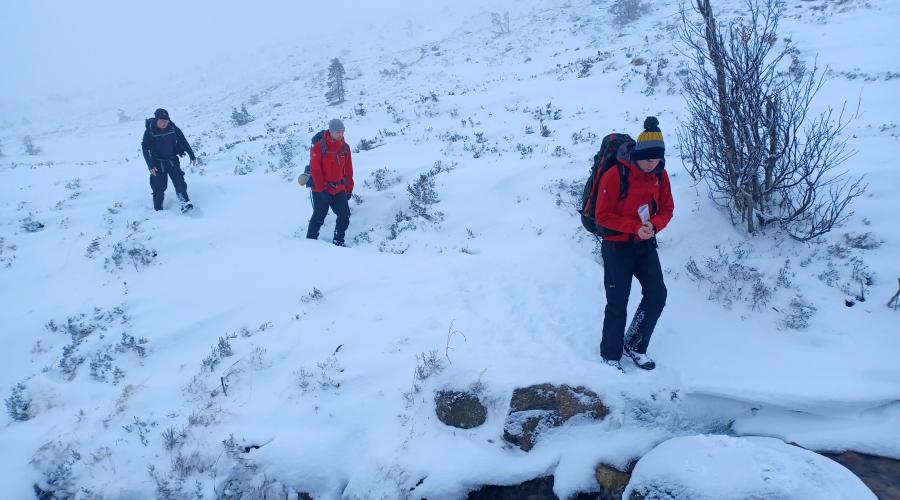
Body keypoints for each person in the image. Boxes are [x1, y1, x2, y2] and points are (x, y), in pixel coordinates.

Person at [594, 117, 674, 371]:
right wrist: (633, 227)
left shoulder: (660, 175)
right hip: (616, 246)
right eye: (648, 159)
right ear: (638, 154)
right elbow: (602, 216)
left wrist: (655, 225)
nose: (652, 164)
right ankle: (610, 354)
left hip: (644, 244)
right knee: (617, 300)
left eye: (657, 159)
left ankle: (635, 343)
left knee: (657, 294)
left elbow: (668, 208)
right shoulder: (614, 174)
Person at [306, 119, 354, 246]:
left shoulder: (345, 148)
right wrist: (322, 190)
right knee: (319, 216)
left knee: (344, 216)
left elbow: (348, 170)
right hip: (320, 189)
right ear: (331, 131)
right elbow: (315, 169)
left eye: (342, 132)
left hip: (338, 189)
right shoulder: (318, 147)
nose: (340, 134)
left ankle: (338, 241)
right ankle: (309, 242)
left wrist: (349, 189)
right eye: (338, 132)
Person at [141, 108, 198, 212]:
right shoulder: (150, 131)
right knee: (159, 187)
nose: (164, 123)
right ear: (156, 120)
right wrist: (150, 166)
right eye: (162, 121)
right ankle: (158, 208)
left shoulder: (172, 127)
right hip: (157, 163)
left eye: (166, 121)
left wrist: (192, 155)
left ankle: (184, 202)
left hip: (172, 160)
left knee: (179, 182)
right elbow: (144, 148)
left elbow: (183, 141)